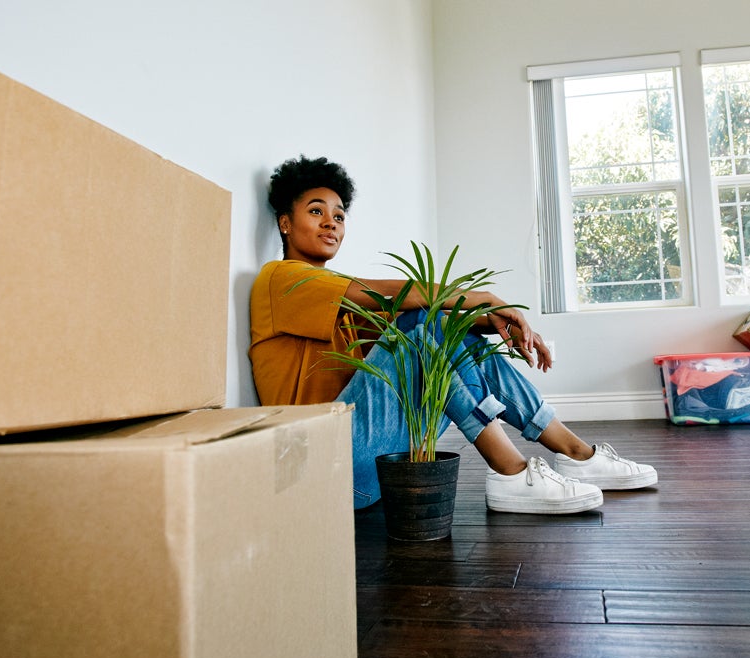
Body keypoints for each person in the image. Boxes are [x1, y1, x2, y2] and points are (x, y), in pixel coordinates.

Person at [249, 155, 656, 514]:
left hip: (369, 473)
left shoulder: (337, 300)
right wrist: (482, 299)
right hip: (320, 468)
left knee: (436, 326)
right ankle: (513, 472)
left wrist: (488, 322)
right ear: (285, 223)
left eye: (339, 216)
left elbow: (427, 324)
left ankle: (576, 454)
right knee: (423, 320)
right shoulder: (280, 278)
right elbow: (400, 299)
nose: (331, 224)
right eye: (316, 212)